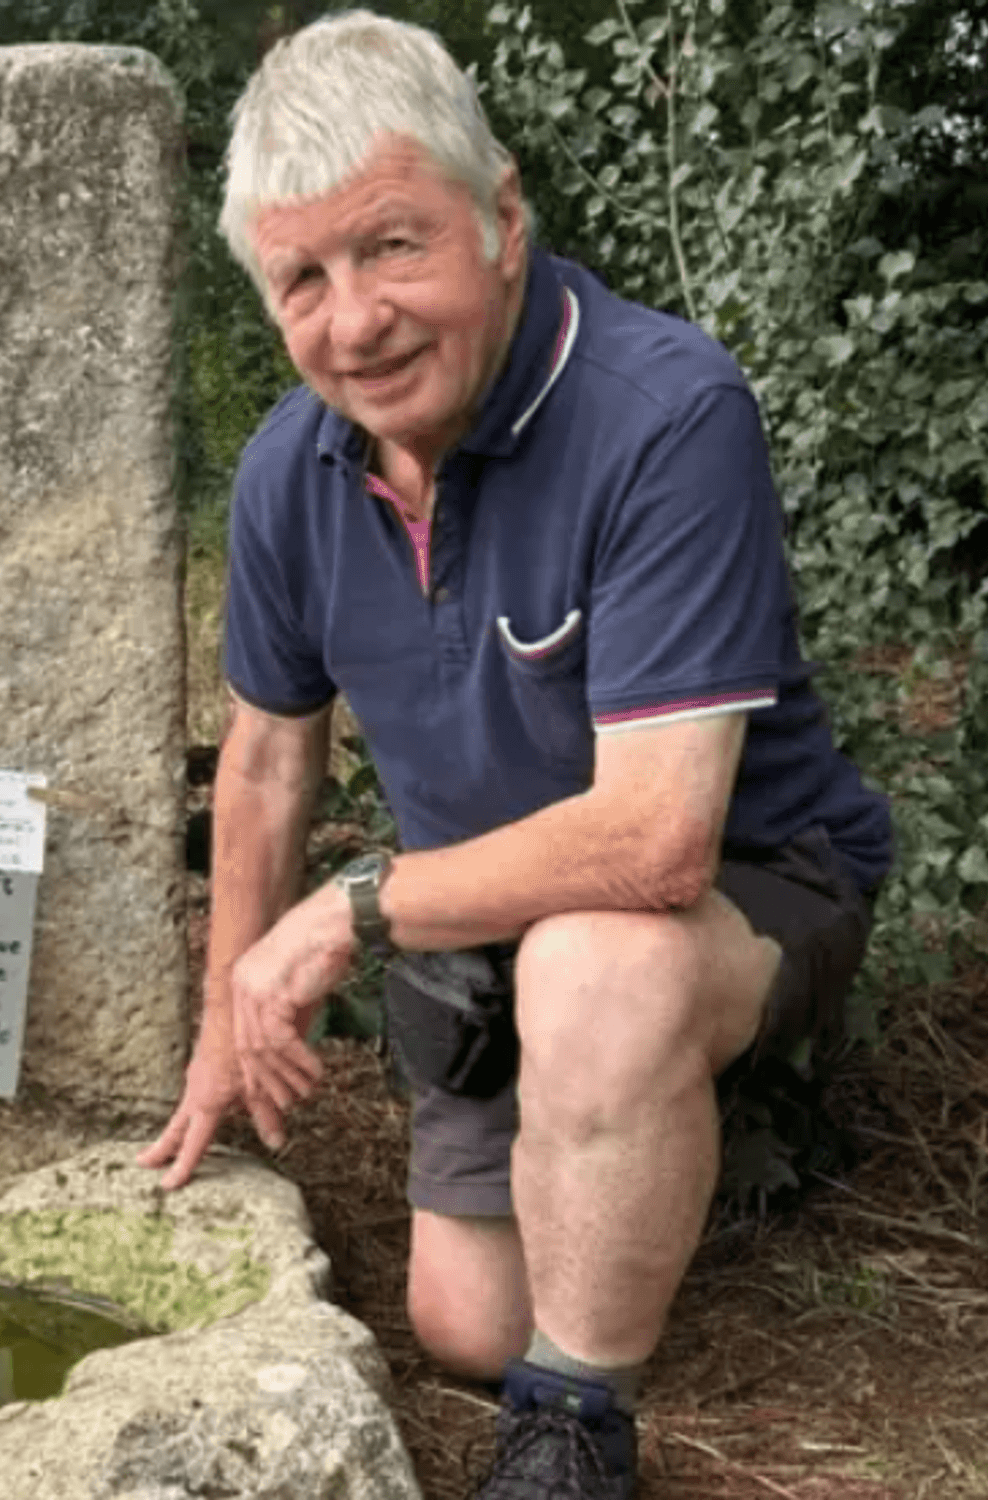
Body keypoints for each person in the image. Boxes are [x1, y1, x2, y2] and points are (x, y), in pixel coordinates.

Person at [139, 12, 893, 1499]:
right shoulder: (290, 476)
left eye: (393, 247)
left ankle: (570, 1429)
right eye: (305, 277)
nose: (355, 321)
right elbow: (270, 760)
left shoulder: (664, 413)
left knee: (595, 972)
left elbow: (658, 841)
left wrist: (348, 914)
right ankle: (625, 1142)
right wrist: (229, 1015)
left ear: (501, 214)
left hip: (749, 878)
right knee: (461, 1320)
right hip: (490, 922)